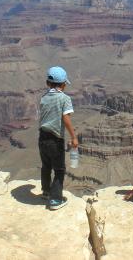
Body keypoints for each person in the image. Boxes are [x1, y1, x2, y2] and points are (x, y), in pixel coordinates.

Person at [39, 66, 78, 210]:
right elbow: (65, 118)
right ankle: (55, 200)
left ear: (47, 83)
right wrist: (73, 137)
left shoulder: (43, 97)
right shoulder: (64, 98)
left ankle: (46, 192)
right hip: (55, 139)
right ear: (63, 84)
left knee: (46, 166)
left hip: (42, 137)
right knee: (59, 169)